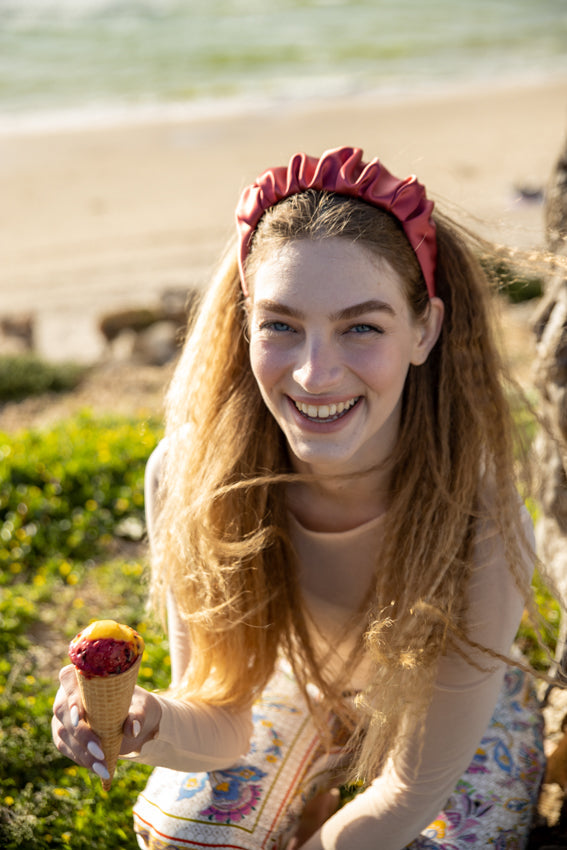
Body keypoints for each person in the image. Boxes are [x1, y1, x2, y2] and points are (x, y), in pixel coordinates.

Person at [52, 146, 545, 849]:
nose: (314, 375)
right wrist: (145, 721)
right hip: (306, 689)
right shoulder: (189, 477)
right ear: (245, 323)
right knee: (188, 836)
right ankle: (309, 796)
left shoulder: (480, 513)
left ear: (423, 331)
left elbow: (410, 790)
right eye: (281, 324)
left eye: (361, 327)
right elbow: (220, 723)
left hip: (453, 724)